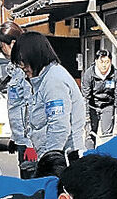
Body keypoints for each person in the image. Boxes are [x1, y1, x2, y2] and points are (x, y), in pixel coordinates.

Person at [10, 32, 84, 172]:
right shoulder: (40, 80)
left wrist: (49, 163)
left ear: (35, 56)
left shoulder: (53, 80)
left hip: (64, 158)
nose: (22, 67)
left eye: (23, 61)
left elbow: (59, 126)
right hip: (50, 155)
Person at [0, 22, 33, 178]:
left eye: (2, 47)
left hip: (31, 142)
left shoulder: (25, 68)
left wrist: (30, 144)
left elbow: (31, 107)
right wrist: (15, 137)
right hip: (21, 138)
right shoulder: (15, 68)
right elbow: (16, 106)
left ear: (13, 43)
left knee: (32, 184)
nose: (2, 51)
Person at [81, 49, 117, 149]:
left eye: (107, 62)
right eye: (101, 62)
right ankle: (89, 158)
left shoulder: (115, 75)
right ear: (96, 61)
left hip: (108, 106)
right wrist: (86, 116)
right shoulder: (89, 74)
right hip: (92, 105)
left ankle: (106, 158)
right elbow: (85, 96)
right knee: (90, 134)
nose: (104, 65)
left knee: (107, 136)